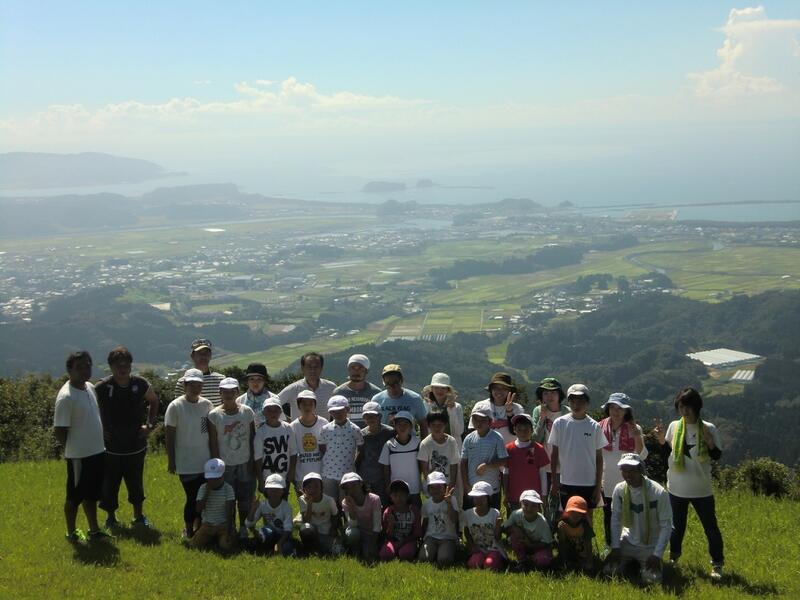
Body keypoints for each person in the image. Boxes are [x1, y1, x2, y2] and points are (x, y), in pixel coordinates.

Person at [655, 387, 724, 581]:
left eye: (688, 407)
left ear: (697, 407)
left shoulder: (708, 428)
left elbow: (717, 456)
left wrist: (709, 442)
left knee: (711, 528)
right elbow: (668, 454)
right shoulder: (674, 427)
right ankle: (674, 558)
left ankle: (717, 564)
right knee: (676, 527)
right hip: (676, 488)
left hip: (702, 490)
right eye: (681, 407)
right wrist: (661, 441)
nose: (684, 411)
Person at [95, 346, 159, 529]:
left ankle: (138, 517)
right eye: (118, 365)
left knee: (135, 482)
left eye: (126, 365)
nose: (122, 369)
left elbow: (154, 401)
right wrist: (99, 429)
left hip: (135, 444)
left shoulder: (140, 383)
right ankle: (111, 518)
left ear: (131, 365)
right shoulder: (102, 387)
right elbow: (89, 408)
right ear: (111, 367)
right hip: (110, 446)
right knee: (109, 484)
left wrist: (149, 425)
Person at [54, 350, 109, 542]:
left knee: (92, 495)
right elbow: (59, 429)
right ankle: (71, 532)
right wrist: (72, 449)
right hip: (79, 456)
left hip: (97, 452)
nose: (85, 370)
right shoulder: (66, 397)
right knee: (74, 496)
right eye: (79, 367)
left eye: (87, 366)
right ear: (69, 370)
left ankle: (94, 529)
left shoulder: (89, 387)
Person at [604, 453, 671, 585]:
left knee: (652, 580)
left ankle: (641, 565)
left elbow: (666, 526)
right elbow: (616, 519)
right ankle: (632, 564)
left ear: (641, 470)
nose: (628, 475)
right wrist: (615, 547)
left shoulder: (658, 493)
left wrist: (657, 555)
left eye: (632, 471)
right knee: (609, 571)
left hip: (649, 545)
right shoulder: (619, 490)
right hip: (627, 541)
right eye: (624, 471)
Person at [165, 367, 213, 539]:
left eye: (198, 385)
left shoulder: (207, 405)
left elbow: (209, 431)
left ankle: (199, 527)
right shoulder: (175, 406)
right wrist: (171, 460)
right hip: (186, 462)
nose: (195, 388)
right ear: (185, 385)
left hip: (205, 460)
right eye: (191, 384)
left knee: (204, 497)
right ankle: (188, 529)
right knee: (192, 497)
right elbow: (169, 436)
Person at [208, 377, 256, 539]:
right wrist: (217, 465)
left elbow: (252, 437)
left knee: (245, 497)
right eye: (225, 392)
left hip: (245, 462)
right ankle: (230, 527)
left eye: (232, 391)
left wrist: (252, 460)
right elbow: (213, 442)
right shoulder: (214, 415)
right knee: (228, 498)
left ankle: (243, 526)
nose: (229, 395)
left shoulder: (247, 412)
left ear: (237, 392)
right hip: (225, 464)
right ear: (220, 393)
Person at [548, 384, 605, 522]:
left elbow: (599, 458)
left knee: (587, 520)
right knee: (566, 519)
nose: (576, 404)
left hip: (589, 482)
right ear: (568, 402)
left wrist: (598, 487)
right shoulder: (559, 423)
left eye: (580, 401)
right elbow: (554, 454)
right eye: (572, 401)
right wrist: (554, 482)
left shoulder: (595, 426)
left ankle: (586, 538)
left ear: (587, 402)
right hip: (566, 481)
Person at [599, 393, 647, 548]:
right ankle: (610, 546)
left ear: (626, 411)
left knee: (630, 515)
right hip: (606, 481)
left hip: (628, 481)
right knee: (609, 516)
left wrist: (637, 436)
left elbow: (641, 455)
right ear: (608, 409)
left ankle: (631, 545)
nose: (616, 411)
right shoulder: (599, 427)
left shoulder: (634, 428)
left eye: (620, 408)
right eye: (612, 407)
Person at [461, 405, 508, 510]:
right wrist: (466, 485)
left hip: (492, 489)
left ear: (490, 421)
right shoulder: (468, 439)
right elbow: (463, 463)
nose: (479, 423)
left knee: (492, 517)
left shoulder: (497, 438)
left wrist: (487, 465)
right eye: (475, 419)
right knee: (471, 517)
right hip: (472, 488)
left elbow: (504, 460)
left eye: (482, 420)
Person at [319, 395, 364, 503]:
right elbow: (322, 448)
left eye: (340, 411)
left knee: (346, 503)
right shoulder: (325, 429)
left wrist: (353, 464)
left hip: (347, 473)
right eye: (334, 412)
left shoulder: (355, 429)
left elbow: (361, 449)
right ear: (330, 412)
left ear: (347, 409)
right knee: (330, 502)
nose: (337, 414)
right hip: (328, 473)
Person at [503, 414, 550, 513]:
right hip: (514, 497)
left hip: (534, 499)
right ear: (514, 430)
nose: (523, 432)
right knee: (514, 521)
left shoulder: (539, 449)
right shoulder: (508, 449)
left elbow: (543, 474)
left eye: (526, 429)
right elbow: (506, 472)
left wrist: (544, 495)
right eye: (519, 429)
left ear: (532, 430)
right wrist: (506, 493)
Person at [188, 458, 235, 551]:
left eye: (215, 479)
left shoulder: (228, 489)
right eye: (210, 479)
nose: (212, 481)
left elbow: (229, 512)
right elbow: (198, 509)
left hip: (223, 525)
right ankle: (210, 538)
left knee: (226, 546)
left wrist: (229, 531)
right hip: (207, 525)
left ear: (222, 476)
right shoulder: (203, 488)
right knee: (194, 545)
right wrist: (207, 493)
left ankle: (220, 538)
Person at [531, 377, 569, 491]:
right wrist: (542, 418)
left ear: (559, 395)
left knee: (562, 498)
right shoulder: (538, 411)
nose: (549, 396)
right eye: (545, 393)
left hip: (564, 466)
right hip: (543, 464)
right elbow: (535, 439)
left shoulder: (567, 412)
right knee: (543, 496)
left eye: (553, 392)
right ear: (541, 396)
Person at [254, 397, 297, 498]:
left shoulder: (287, 428)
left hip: (284, 475)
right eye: (269, 410)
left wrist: (291, 472)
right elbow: (258, 458)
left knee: (283, 500)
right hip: (267, 476)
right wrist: (260, 479)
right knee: (270, 502)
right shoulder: (261, 431)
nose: (272, 413)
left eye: (276, 410)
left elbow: (293, 452)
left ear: (280, 411)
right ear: (264, 412)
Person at [289, 390, 329, 496]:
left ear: (315, 405)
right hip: (301, 475)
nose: (307, 407)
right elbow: (292, 452)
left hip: (321, 473)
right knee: (304, 503)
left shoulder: (323, 423)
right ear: (299, 406)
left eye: (310, 403)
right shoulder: (293, 427)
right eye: (304, 404)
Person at [503, 489, 553, 571]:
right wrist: (513, 528)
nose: (529, 509)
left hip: (539, 547)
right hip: (524, 546)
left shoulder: (542, 522)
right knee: (513, 537)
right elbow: (504, 527)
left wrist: (530, 545)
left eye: (534, 505)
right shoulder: (516, 514)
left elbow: (547, 543)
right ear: (521, 504)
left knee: (543, 561)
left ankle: (532, 561)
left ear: (538, 507)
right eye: (526, 505)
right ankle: (522, 561)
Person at [245, 473, 295, 556]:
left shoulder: (286, 507)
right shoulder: (262, 505)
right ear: (266, 491)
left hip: (283, 536)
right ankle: (266, 546)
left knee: (286, 549)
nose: (274, 493)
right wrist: (253, 509)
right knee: (266, 533)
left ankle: (278, 547)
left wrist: (279, 543)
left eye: (278, 489)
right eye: (271, 489)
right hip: (270, 533)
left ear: (283, 491)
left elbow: (288, 529)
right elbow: (248, 524)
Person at [373, 364, 428, 438]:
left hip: (410, 442)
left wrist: (422, 443)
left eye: (395, 383)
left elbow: (423, 424)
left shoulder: (415, 399)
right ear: (384, 383)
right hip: (384, 441)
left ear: (402, 381)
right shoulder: (377, 400)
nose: (392, 387)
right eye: (388, 384)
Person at [379, 411, 422, 506]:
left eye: (406, 424)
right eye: (399, 424)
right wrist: (388, 485)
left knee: (416, 511)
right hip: (396, 489)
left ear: (411, 426)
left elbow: (422, 464)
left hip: (414, 487)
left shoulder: (418, 442)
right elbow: (386, 468)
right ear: (394, 426)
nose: (402, 427)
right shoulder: (389, 445)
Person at [356, 401, 394, 506]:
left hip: (384, 477)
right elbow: (358, 456)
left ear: (380, 416)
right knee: (368, 505)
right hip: (366, 477)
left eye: (373, 415)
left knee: (384, 504)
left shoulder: (390, 432)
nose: (370, 419)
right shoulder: (361, 435)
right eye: (367, 416)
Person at [468, 372, 524, 444]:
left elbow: (517, 433)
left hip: (509, 450)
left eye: (504, 388)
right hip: (485, 449)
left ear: (509, 391)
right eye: (496, 388)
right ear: (491, 390)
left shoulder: (517, 409)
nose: (499, 391)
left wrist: (510, 412)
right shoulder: (480, 406)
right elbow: (473, 431)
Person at [278, 352, 337, 420]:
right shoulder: (293, 388)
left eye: (316, 367)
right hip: (298, 427)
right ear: (302, 368)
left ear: (321, 368)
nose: (313, 370)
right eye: (309, 366)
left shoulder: (331, 387)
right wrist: (286, 420)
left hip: (324, 427)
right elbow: (274, 403)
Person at [294, 472, 341, 556]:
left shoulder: (329, 500)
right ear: (304, 490)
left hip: (325, 532)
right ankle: (310, 548)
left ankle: (315, 548)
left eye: (316, 486)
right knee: (305, 529)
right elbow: (306, 521)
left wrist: (332, 529)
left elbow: (335, 515)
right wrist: (309, 504)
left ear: (322, 488)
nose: (313, 490)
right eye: (309, 487)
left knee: (336, 550)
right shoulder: (302, 499)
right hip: (310, 531)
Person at [418, 411, 461, 504]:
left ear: (445, 425)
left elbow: (454, 466)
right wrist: (434, 489)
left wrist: (450, 486)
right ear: (429, 426)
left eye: (440, 425)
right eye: (433, 425)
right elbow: (425, 471)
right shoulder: (425, 444)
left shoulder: (452, 442)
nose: (436, 428)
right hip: (432, 488)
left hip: (448, 486)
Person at [418, 471, 459, 568]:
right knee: (424, 559)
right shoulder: (427, 503)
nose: (435, 490)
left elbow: (454, 519)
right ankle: (436, 550)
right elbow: (425, 522)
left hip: (448, 537)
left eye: (439, 487)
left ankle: (445, 550)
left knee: (444, 560)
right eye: (432, 487)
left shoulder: (452, 500)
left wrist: (449, 503)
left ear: (445, 488)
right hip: (431, 537)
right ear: (428, 489)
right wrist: (422, 538)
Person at [463, 481, 506, 571]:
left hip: (494, 549)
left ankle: (498, 560)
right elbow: (466, 532)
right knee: (473, 564)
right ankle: (481, 559)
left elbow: (498, 537)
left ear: (488, 498)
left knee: (489, 565)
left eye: (482, 498)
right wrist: (471, 546)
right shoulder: (468, 514)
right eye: (476, 498)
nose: (478, 501)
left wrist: (498, 525)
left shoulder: (495, 513)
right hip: (478, 549)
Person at [340, 472, 382, 561]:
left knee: (369, 554)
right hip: (357, 532)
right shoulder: (345, 502)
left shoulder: (375, 499)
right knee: (353, 533)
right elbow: (353, 524)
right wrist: (351, 507)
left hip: (372, 534)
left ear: (361, 484)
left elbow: (377, 525)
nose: (351, 489)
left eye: (354, 485)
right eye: (348, 487)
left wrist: (373, 544)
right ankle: (355, 550)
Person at [331, 354, 381, 428]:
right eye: (353, 367)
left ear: (366, 371)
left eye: (360, 368)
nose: (356, 371)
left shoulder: (376, 393)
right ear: (348, 369)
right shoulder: (338, 393)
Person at [172, 339, 225, 407]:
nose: (203, 356)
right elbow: (179, 406)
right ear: (192, 356)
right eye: (200, 353)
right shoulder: (182, 382)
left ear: (210, 356)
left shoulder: (221, 380)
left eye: (206, 353)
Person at [379, 479, 422, 562]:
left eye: (402, 495)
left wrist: (404, 541)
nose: (399, 498)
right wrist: (391, 525)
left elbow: (417, 533)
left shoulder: (414, 511)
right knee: (385, 555)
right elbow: (386, 535)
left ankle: (405, 550)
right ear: (391, 497)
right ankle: (394, 550)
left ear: (408, 496)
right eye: (395, 495)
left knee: (406, 554)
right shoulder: (388, 511)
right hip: (393, 540)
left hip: (409, 540)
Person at [421, 372, 464, 445]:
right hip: (432, 446)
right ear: (432, 389)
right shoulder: (426, 405)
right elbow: (424, 427)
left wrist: (452, 409)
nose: (439, 391)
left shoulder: (457, 407)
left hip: (452, 446)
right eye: (436, 388)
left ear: (447, 390)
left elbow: (459, 431)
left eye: (443, 388)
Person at [556, 496, 595, 571]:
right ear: (567, 511)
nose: (575, 515)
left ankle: (579, 563)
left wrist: (590, 561)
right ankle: (565, 562)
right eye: (572, 512)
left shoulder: (585, 525)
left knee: (585, 566)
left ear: (583, 514)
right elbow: (561, 542)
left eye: (579, 513)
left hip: (581, 553)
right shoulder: (563, 524)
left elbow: (589, 544)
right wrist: (560, 531)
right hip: (567, 552)